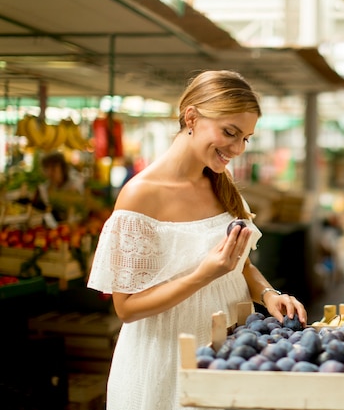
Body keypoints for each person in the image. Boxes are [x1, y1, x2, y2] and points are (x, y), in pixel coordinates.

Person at [87, 70, 308, 410]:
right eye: (229, 132)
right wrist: (203, 274)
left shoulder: (221, 184)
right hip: (166, 363)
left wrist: (268, 294)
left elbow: (241, 263)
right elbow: (126, 308)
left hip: (228, 357)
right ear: (192, 117)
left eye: (245, 139)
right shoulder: (140, 195)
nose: (236, 149)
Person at [32, 151, 85, 222]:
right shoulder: (45, 187)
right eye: (47, 168)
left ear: (62, 168)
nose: (50, 172)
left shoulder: (74, 184)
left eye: (54, 167)